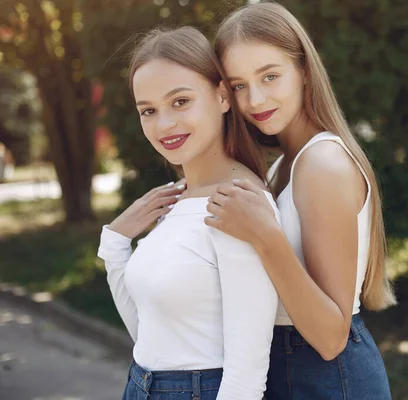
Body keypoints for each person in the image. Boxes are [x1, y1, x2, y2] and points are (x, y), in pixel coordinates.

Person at [204, 3, 396, 399]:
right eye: (239, 85)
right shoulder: (282, 167)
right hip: (287, 367)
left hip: (324, 375)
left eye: (270, 76)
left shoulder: (322, 163)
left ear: (304, 71)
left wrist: (265, 236)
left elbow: (330, 337)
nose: (255, 99)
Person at [97, 26, 279, 400]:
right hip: (142, 385)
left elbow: (247, 371)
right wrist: (115, 243)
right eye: (148, 110)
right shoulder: (176, 198)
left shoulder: (238, 201)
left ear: (223, 96)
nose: (164, 125)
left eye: (180, 102)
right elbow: (149, 333)